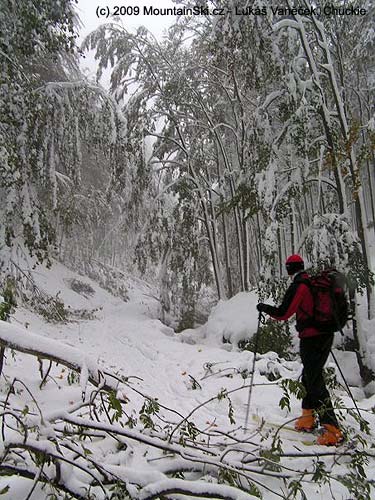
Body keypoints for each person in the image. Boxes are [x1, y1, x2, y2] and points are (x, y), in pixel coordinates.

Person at [256, 254, 343, 446]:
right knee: (310, 377)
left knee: (314, 380)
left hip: (312, 338)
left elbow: (283, 313)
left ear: (289, 269)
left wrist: (264, 307)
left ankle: (332, 430)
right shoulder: (311, 283)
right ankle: (308, 418)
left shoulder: (300, 286)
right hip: (324, 335)